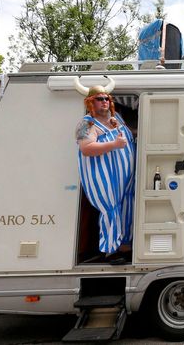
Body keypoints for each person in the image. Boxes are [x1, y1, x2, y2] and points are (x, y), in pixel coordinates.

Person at [74, 77, 136, 263]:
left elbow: (128, 132)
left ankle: (124, 246)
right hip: (105, 177)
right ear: (90, 103)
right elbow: (86, 148)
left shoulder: (115, 117)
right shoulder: (86, 124)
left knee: (126, 207)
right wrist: (114, 144)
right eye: (99, 99)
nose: (104, 102)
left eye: (106, 98)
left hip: (125, 175)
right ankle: (111, 250)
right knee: (110, 209)